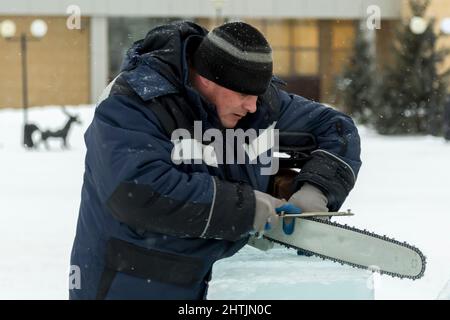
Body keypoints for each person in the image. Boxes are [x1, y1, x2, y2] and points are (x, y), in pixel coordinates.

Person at [69, 20, 361, 300]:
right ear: (207, 78)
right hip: (129, 287)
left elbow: (337, 129)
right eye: (244, 94)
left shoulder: (256, 104)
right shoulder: (134, 102)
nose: (253, 106)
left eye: (258, 94)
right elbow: (136, 191)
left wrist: (317, 189)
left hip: (217, 287)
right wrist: (247, 207)